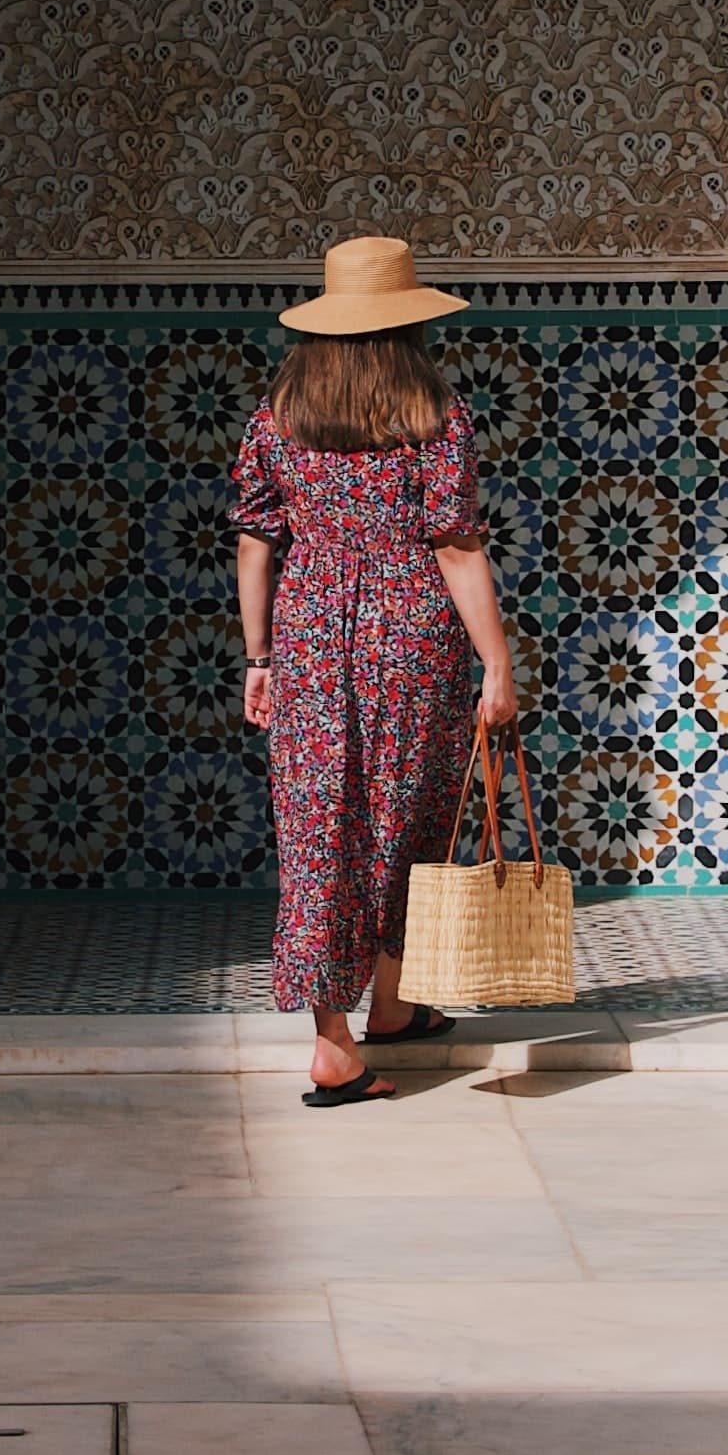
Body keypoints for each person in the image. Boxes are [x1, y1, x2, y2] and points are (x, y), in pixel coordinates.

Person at [232, 233, 521, 1106]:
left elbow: (255, 540)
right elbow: (457, 545)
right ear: (407, 326)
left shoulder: (276, 414)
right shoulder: (433, 413)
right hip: (411, 635)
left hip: (313, 630)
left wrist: (258, 658)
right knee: (409, 814)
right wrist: (497, 665)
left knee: (321, 829)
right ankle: (388, 1005)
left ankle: (345, 1035)